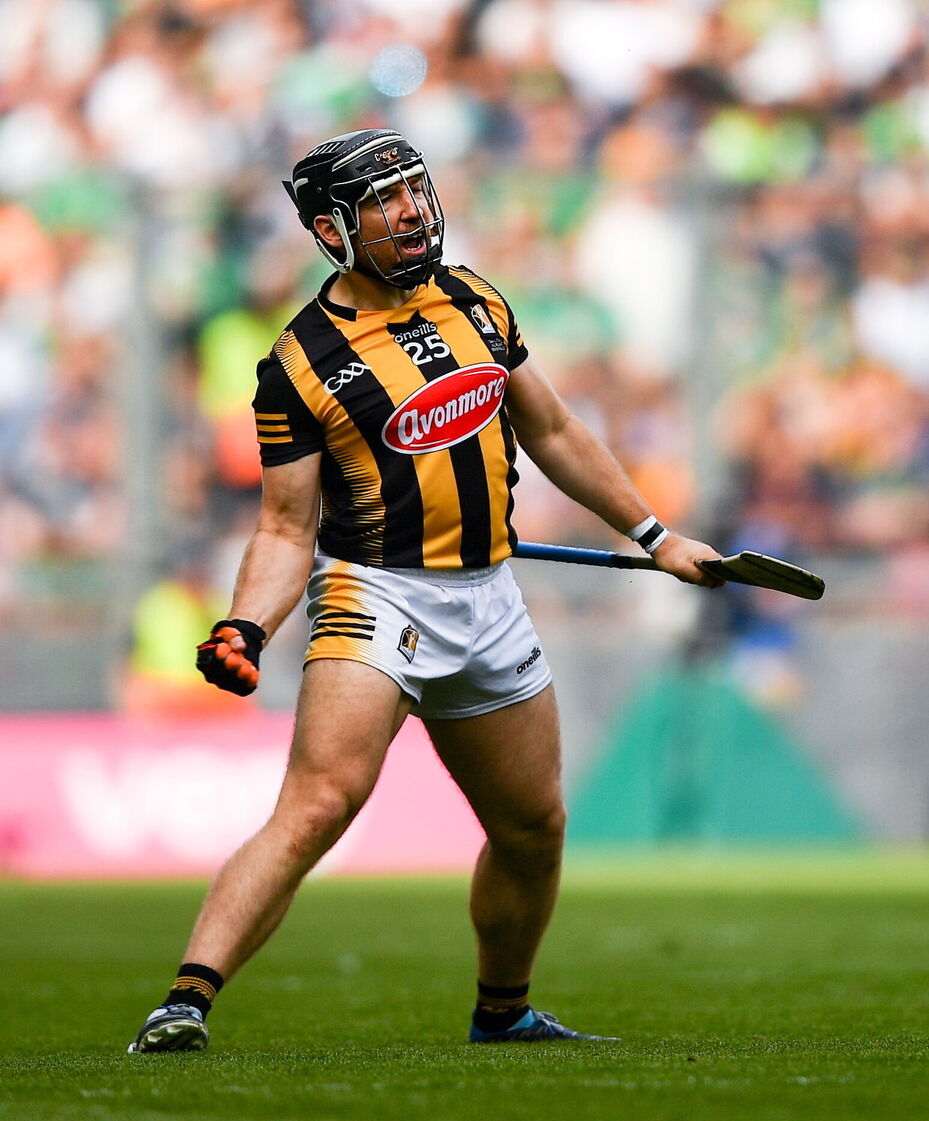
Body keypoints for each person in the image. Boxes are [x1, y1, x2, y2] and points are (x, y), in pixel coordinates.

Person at [128, 128, 722, 1053]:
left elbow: (555, 431)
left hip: (489, 598)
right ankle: (185, 1001)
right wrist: (245, 622)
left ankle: (503, 1014)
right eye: (384, 200)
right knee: (320, 803)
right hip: (378, 595)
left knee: (532, 825)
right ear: (332, 229)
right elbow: (286, 526)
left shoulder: (478, 301)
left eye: (415, 189)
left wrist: (654, 534)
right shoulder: (297, 365)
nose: (412, 211)